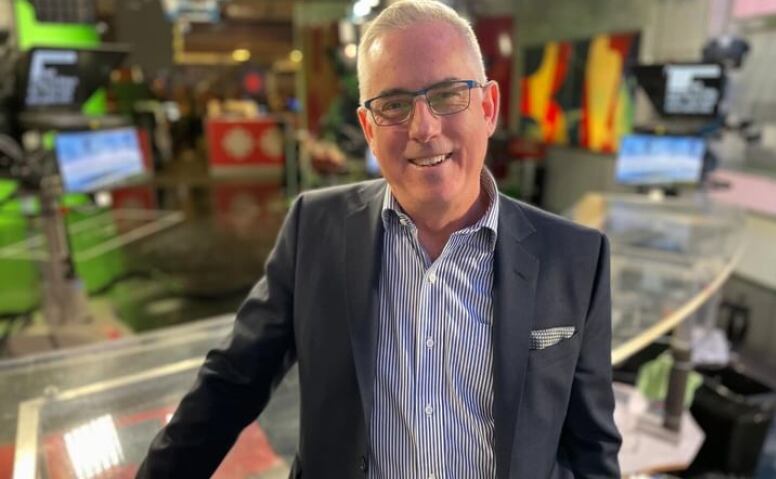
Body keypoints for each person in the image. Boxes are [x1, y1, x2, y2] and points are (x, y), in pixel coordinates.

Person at [138, 1, 621, 477]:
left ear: (488, 107)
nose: (424, 128)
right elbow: (231, 383)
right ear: (369, 128)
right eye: (393, 105)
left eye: (448, 94)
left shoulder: (574, 257)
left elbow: (590, 447)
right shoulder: (316, 229)